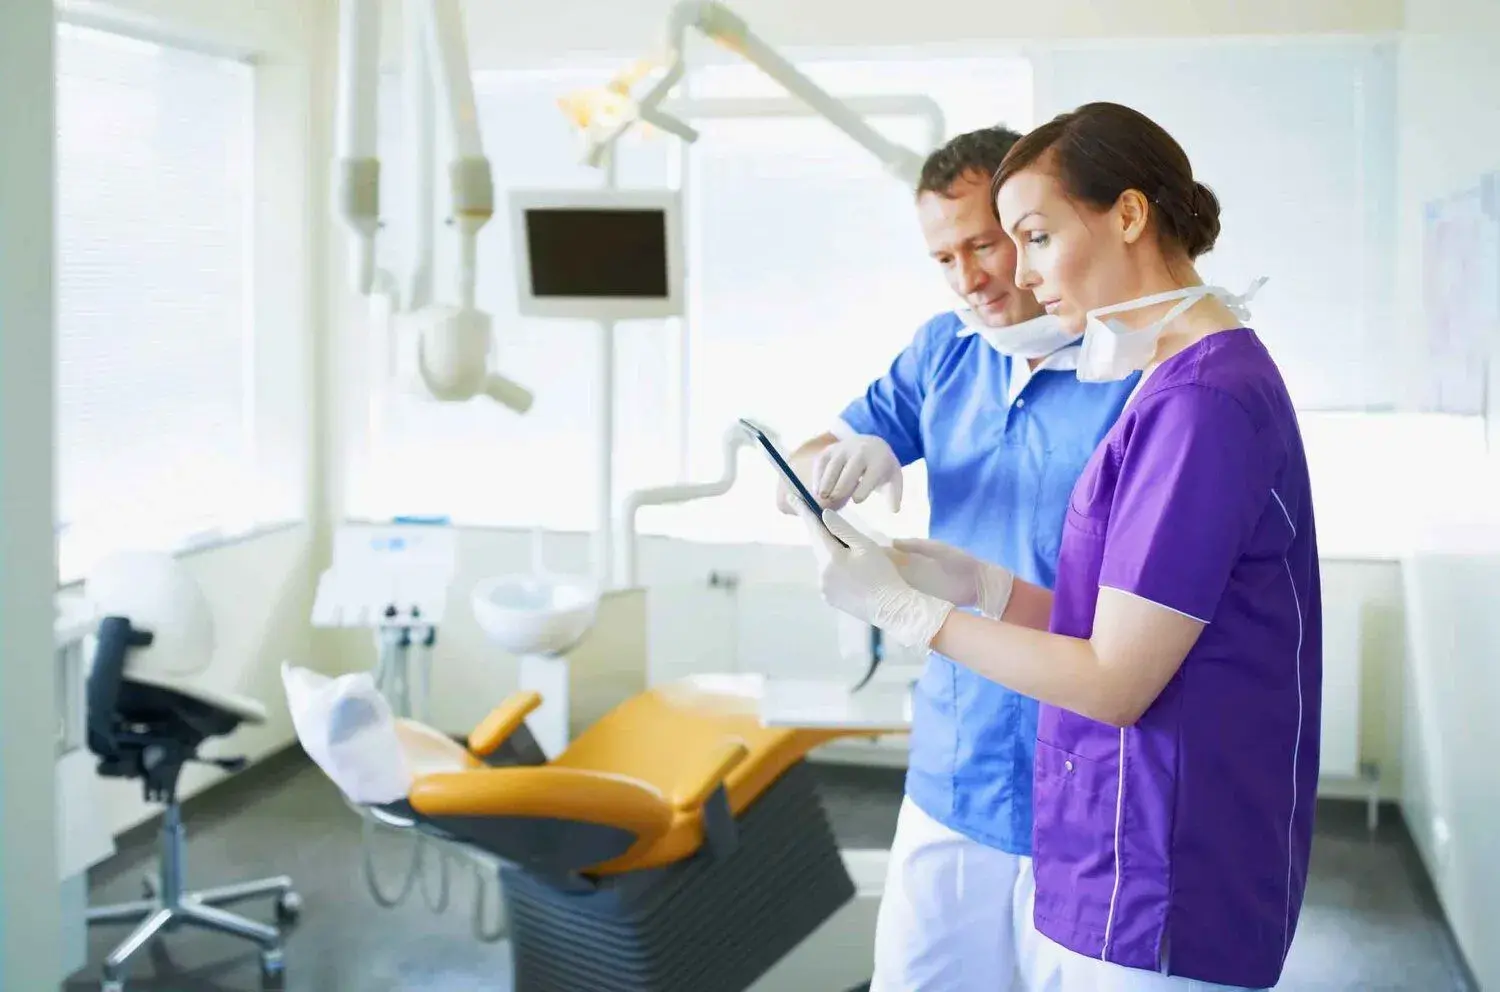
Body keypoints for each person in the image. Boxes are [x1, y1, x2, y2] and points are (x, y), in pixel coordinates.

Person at [798, 101, 1321, 992]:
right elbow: (1115, 621)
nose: (1016, 274)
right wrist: (980, 586)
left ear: (1126, 214)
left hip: (1157, 835)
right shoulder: (1172, 380)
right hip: (1075, 799)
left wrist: (909, 613)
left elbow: (1116, 680)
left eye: (1030, 238)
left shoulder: (1197, 403)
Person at [775, 126, 1138, 991]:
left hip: (1091, 772)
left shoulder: (1137, 370)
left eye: (983, 245)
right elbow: (814, 455)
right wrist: (834, 460)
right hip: (958, 758)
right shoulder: (947, 349)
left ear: (1032, 227)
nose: (968, 278)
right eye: (944, 258)